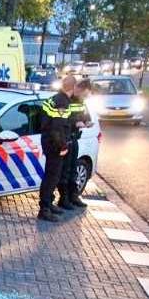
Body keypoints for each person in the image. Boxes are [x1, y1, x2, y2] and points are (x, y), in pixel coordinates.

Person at [38, 75, 76, 222]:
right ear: (73, 88)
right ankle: (45, 209)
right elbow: (57, 128)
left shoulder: (54, 99)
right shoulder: (62, 103)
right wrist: (63, 146)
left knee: (52, 176)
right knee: (52, 177)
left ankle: (48, 203)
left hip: (49, 141)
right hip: (54, 145)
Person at [58, 78, 92, 210]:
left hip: (74, 138)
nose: (84, 97)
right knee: (65, 171)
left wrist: (87, 121)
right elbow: (62, 118)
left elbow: (84, 114)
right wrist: (75, 123)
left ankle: (73, 196)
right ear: (78, 88)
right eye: (84, 94)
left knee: (73, 169)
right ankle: (64, 199)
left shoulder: (81, 101)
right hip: (65, 138)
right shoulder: (65, 99)